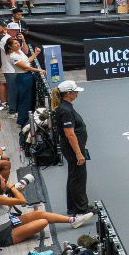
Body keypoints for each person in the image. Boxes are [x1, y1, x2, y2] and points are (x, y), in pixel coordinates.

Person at [0, 172, 91, 248]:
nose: (5, 180)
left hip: (8, 223)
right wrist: (11, 187)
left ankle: (73, 220)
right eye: (2, 180)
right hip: (3, 235)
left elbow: (13, 201)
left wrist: (15, 190)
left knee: (39, 214)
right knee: (43, 222)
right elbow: (22, 201)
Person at [55, 80, 93, 221]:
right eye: (75, 91)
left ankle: (73, 206)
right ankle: (81, 209)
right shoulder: (65, 110)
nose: (77, 93)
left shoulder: (66, 107)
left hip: (72, 148)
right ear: (68, 93)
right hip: (73, 149)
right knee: (78, 177)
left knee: (74, 175)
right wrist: (78, 153)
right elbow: (70, 134)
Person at [4, 35, 42, 126]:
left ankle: (30, 119)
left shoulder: (20, 52)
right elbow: (25, 67)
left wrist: (36, 53)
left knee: (30, 98)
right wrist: (39, 70)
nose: (17, 44)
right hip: (23, 78)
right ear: (10, 46)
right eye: (15, 43)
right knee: (24, 99)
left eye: (17, 42)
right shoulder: (13, 56)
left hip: (28, 76)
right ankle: (22, 121)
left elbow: (27, 61)